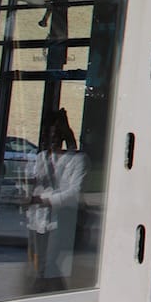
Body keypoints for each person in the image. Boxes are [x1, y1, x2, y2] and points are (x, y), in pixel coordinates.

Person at [26, 108, 88, 292]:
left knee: (49, 264)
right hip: (38, 220)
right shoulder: (41, 158)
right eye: (49, 134)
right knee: (41, 265)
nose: (52, 138)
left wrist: (44, 199)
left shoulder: (77, 160)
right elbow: (33, 184)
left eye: (56, 133)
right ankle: (54, 295)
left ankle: (39, 296)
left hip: (60, 219)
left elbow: (73, 192)